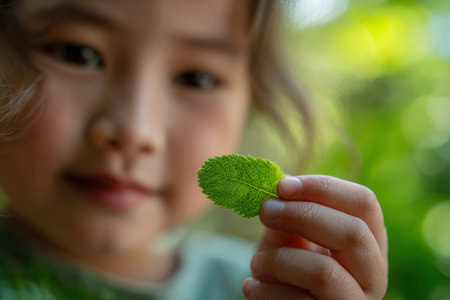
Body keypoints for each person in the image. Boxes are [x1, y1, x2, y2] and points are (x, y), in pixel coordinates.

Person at [0, 0, 388, 299]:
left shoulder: (269, 287)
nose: (136, 130)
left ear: (251, 104)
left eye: (196, 78)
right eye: (78, 54)